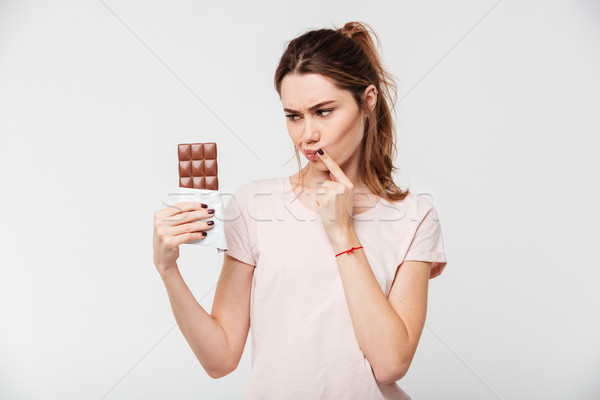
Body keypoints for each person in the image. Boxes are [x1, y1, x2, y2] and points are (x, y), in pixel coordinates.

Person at [153, 21, 448, 400]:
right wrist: (168, 270)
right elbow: (220, 359)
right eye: (294, 116)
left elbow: (390, 362)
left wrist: (343, 234)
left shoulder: (414, 217)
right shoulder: (253, 205)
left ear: (367, 100)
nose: (307, 135)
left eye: (323, 112)